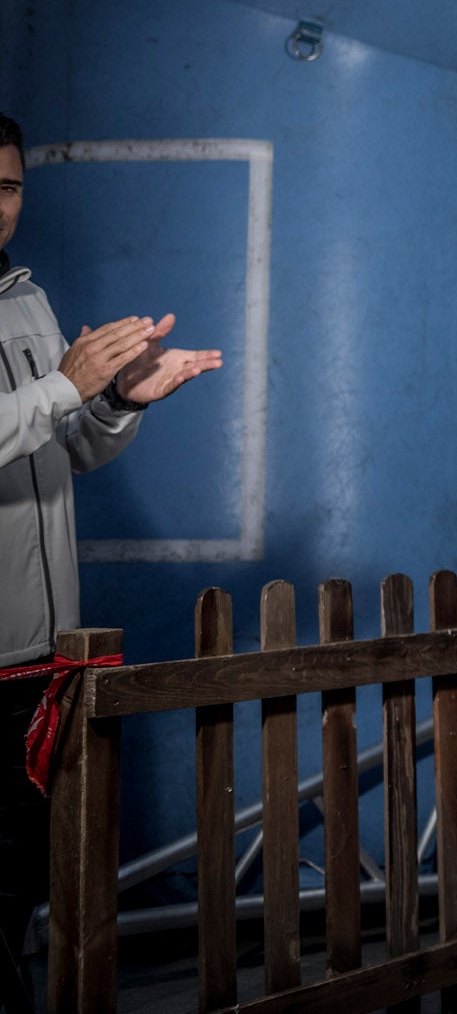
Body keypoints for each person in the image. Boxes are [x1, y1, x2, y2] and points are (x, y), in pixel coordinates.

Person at [0, 114, 222, 1014]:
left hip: (40, 661)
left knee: (17, 891)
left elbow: (67, 448)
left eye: (8, 186)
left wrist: (121, 401)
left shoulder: (27, 298)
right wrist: (62, 385)